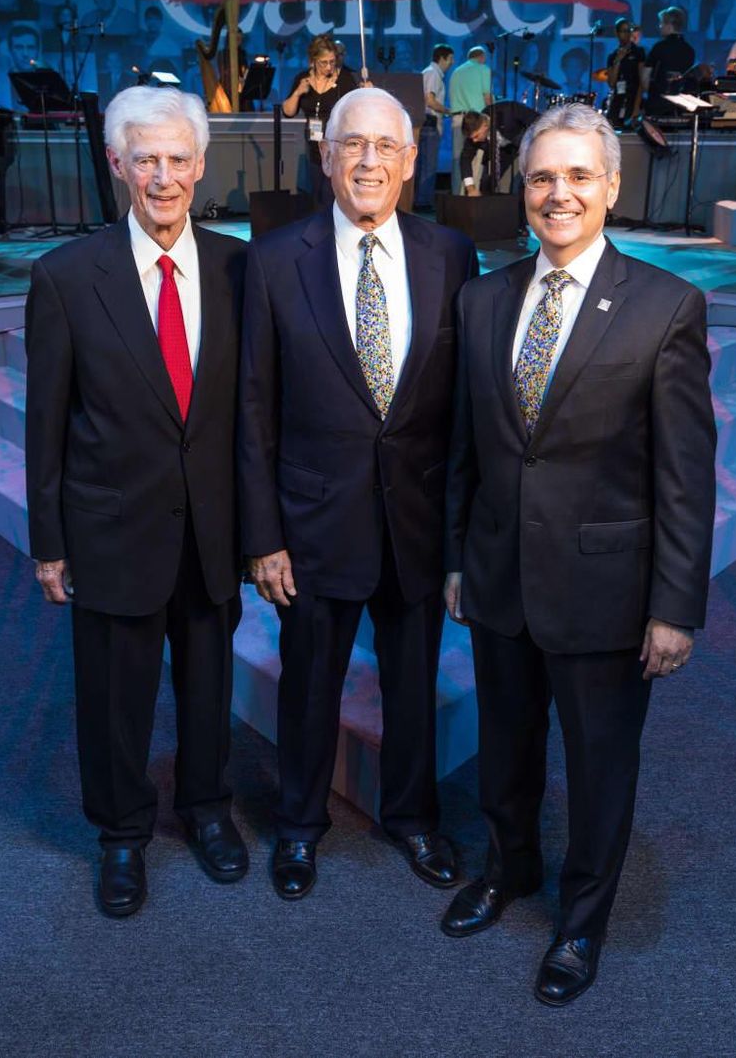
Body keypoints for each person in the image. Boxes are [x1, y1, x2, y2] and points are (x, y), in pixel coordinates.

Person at [439, 102, 716, 1007]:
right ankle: (508, 867)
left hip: (607, 588)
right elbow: (467, 453)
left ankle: (582, 918)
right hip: (498, 578)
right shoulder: (483, 298)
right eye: (543, 178)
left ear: (613, 186)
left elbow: (685, 475)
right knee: (506, 747)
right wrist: (456, 560)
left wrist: (674, 605)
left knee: (600, 767)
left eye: (578, 176)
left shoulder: (667, 307)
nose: (559, 194)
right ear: (523, 190)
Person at [238, 86, 478, 903]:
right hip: (310, 523)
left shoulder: (451, 253)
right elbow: (253, 408)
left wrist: (457, 537)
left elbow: (455, 411)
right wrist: (262, 534)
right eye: (353, 145)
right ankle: (299, 827)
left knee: (414, 683)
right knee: (308, 685)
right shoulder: (272, 260)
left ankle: (413, 818)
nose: (369, 161)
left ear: (413, 161)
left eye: (387, 147)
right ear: (326, 156)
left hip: (412, 518)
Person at [24, 86, 249, 918]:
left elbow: (251, 415)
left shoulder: (237, 266)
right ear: (117, 164)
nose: (163, 176)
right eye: (145, 158)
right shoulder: (65, 277)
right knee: (114, 696)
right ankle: (121, 833)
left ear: (200, 165)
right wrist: (49, 540)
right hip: (111, 528)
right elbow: (46, 421)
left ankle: (206, 808)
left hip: (212, 531)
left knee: (207, 682)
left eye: (177, 159)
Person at [282, 33, 357, 205]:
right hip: (314, 146)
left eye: (332, 62)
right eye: (324, 62)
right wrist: (298, 92)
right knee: (315, 192)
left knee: (330, 193)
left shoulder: (345, 79)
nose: (329, 67)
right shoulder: (303, 79)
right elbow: (288, 111)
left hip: (337, 144)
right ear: (313, 60)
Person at [449, 46, 493, 193]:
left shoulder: (456, 71)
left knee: (459, 161)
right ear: (482, 57)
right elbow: (487, 98)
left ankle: (457, 196)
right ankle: (474, 195)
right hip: (477, 123)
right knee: (475, 162)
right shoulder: (483, 69)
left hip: (457, 121)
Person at [415, 42, 454, 209]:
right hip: (429, 124)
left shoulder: (431, 73)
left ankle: (421, 200)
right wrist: (448, 111)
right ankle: (423, 202)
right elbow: (429, 100)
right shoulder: (432, 74)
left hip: (427, 124)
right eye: (450, 59)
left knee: (425, 164)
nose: (452, 62)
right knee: (428, 166)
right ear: (442, 58)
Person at [641, 7, 695, 116]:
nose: (659, 26)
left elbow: (644, 78)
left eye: (661, 23)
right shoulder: (689, 50)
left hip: (657, 104)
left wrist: (650, 93)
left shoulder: (659, 48)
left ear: (669, 25)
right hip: (680, 106)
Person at [458, 111, 515, 195]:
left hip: (519, 150)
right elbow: (465, 159)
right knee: (486, 186)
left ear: (484, 126)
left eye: (476, 136)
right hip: (495, 160)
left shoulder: (507, 113)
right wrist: (471, 188)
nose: (474, 140)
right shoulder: (472, 139)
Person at [605, 19, 644, 126]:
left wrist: (636, 108)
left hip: (633, 99)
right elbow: (612, 83)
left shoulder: (639, 52)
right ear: (617, 33)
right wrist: (618, 61)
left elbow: (642, 82)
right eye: (623, 31)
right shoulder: (612, 56)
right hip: (618, 100)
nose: (627, 34)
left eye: (629, 31)